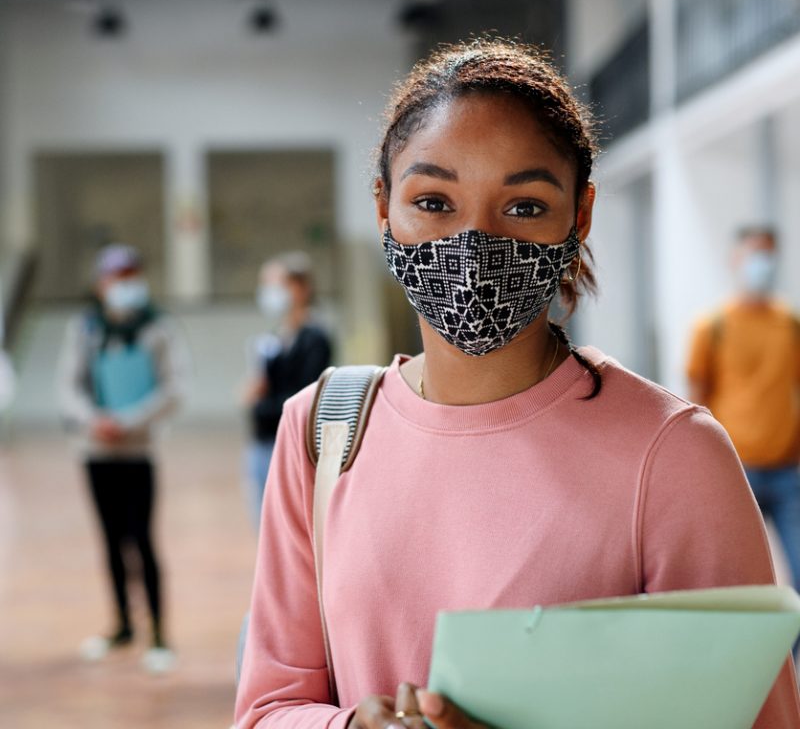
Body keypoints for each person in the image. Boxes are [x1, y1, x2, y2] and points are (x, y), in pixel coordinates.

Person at [235, 40, 800, 728]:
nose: (474, 243)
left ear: (579, 215)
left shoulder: (672, 455)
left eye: (524, 206)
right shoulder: (324, 429)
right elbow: (269, 707)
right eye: (434, 201)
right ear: (384, 208)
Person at [58, 244, 189, 674]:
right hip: (96, 451)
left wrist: (129, 421)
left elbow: (173, 389)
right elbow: (69, 385)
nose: (124, 285)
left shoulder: (158, 329)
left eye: (131, 275)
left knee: (142, 539)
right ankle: (122, 626)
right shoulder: (86, 329)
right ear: (100, 284)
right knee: (110, 540)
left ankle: (158, 633)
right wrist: (91, 419)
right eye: (116, 277)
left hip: (137, 452)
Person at [687, 227, 800, 603]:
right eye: (754, 255)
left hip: (788, 473)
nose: (761, 265)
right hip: (736, 473)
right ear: (736, 261)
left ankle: (783, 659)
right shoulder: (713, 326)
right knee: (736, 586)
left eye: (768, 256)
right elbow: (697, 401)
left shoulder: (790, 325)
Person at [241, 251, 331, 527]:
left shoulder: (314, 338)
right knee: (265, 525)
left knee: (290, 527)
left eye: (278, 284)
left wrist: (259, 402)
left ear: (301, 288)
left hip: (291, 442)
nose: (271, 292)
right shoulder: (274, 337)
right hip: (262, 439)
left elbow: (303, 395)